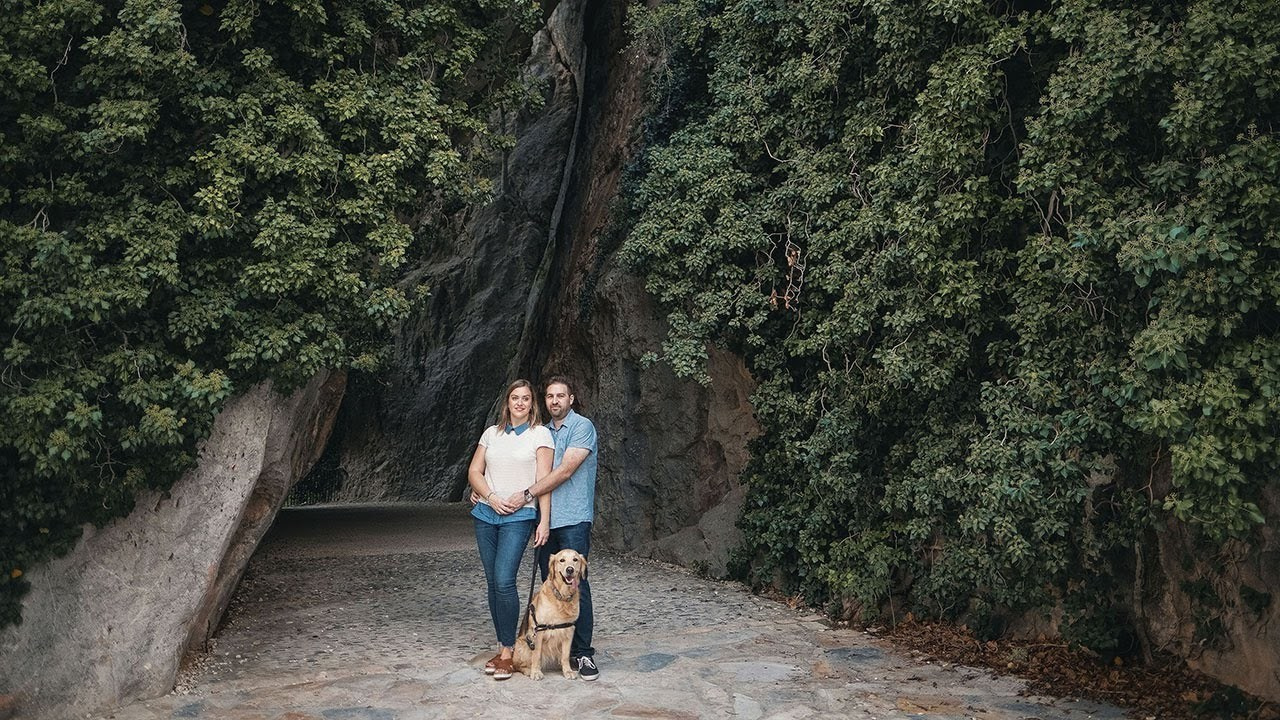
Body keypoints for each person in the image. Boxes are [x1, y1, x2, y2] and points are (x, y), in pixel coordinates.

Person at [502, 375, 599, 681]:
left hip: (572, 518)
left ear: (571, 399)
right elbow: (517, 465)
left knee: (576, 584)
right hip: (544, 520)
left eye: (561, 396)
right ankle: (550, 650)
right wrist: (484, 490)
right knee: (550, 588)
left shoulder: (582, 427)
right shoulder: (540, 432)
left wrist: (527, 494)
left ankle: (582, 654)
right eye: (549, 396)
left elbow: (565, 471)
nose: (555, 401)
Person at [467, 379, 553, 681]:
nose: (520, 403)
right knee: (492, 582)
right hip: (486, 514)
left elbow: (544, 481)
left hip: (520, 517)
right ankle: (504, 646)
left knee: (504, 580)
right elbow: (474, 471)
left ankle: (508, 654)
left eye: (526, 398)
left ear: (532, 404)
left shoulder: (540, 434)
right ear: (507, 402)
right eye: (515, 398)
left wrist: (544, 520)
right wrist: (489, 496)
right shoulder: (492, 433)